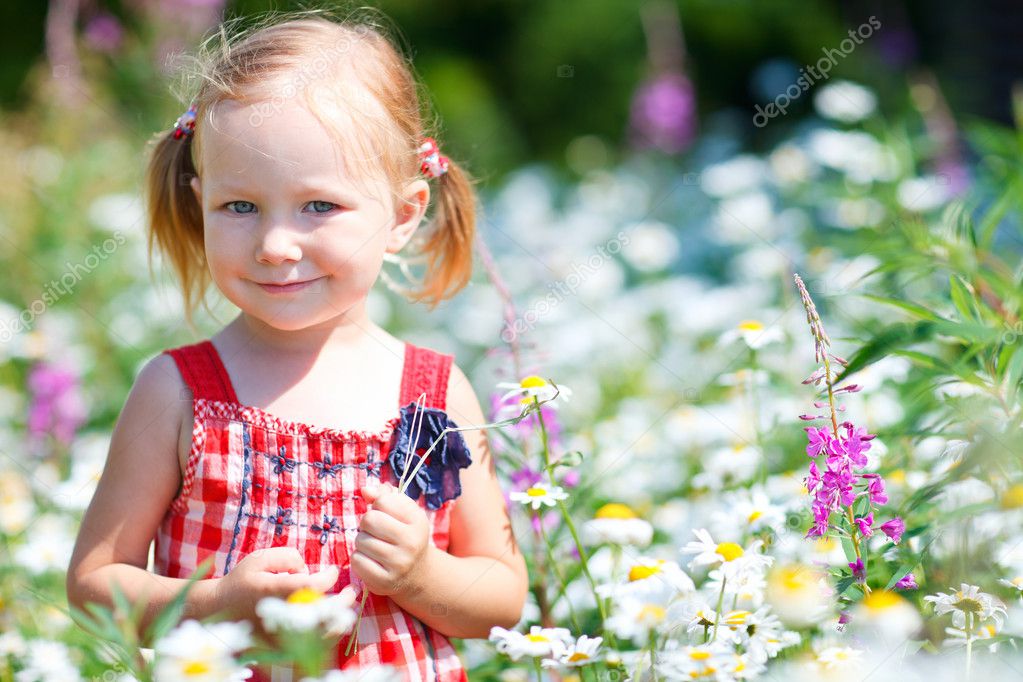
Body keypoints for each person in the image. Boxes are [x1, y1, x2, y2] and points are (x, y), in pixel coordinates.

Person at [65, 8, 528, 681]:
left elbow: (501, 597)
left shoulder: (433, 391)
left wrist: (422, 574)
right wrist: (215, 603)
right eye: (239, 207)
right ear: (200, 204)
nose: (276, 245)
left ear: (402, 215)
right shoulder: (178, 392)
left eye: (319, 206)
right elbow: (93, 585)